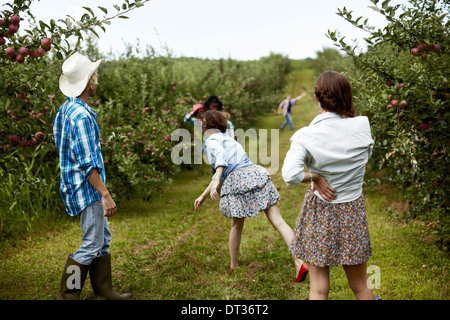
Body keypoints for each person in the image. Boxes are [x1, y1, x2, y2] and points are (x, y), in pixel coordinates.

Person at [281, 71, 375, 300]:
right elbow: (366, 156)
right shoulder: (362, 125)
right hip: (352, 211)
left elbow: (290, 175)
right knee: (361, 285)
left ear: (317, 97)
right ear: (347, 97)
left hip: (321, 211)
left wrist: (315, 176)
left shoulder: (306, 135)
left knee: (319, 289)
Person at [194, 110, 308, 282]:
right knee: (279, 221)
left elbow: (221, 161)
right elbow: (221, 167)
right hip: (255, 174)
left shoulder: (211, 142)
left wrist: (217, 180)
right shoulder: (229, 140)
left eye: (202, 123)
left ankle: (234, 265)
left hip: (239, 181)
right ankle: (299, 262)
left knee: (236, 225)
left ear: (207, 126)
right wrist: (203, 194)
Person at [53, 52, 131, 300]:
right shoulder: (83, 116)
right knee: (92, 243)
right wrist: (105, 194)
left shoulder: (65, 110)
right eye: (94, 77)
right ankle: (69, 293)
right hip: (88, 189)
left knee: (102, 238)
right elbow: (89, 164)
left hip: (74, 184)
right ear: (90, 82)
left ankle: (103, 290)